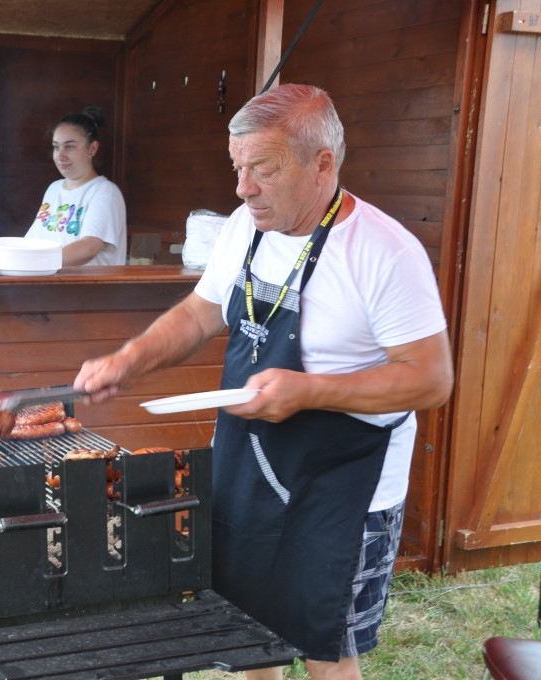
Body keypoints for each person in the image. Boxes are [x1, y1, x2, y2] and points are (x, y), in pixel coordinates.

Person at [73, 84, 454, 680]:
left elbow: (430, 380)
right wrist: (130, 359)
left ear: (322, 163)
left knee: (328, 653)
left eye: (263, 170)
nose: (243, 187)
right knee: (248, 634)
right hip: (248, 467)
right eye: (238, 167)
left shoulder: (384, 252)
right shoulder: (243, 226)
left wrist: (310, 392)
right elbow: (201, 313)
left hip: (344, 488)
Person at [25, 106, 127, 266]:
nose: (60, 155)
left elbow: (89, 248)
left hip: (89, 290)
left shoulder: (105, 192)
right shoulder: (54, 189)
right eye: (56, 146)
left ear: (92, 148)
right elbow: (32, 242)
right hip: (49, 287)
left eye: (70, 146)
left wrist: (34, 262)